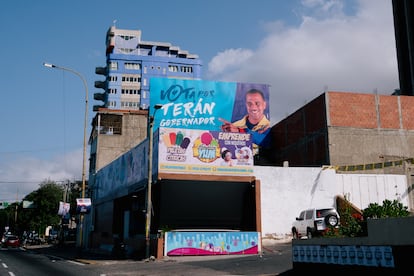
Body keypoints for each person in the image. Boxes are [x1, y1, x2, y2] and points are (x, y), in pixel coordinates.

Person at [220, 88, 271, 155]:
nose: (253, 107)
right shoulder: (234, 126)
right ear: (246, 105)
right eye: (249, 104)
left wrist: (240, 131)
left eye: (257, 103)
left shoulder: (270, 126)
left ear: (264, 105)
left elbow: (266, 141)